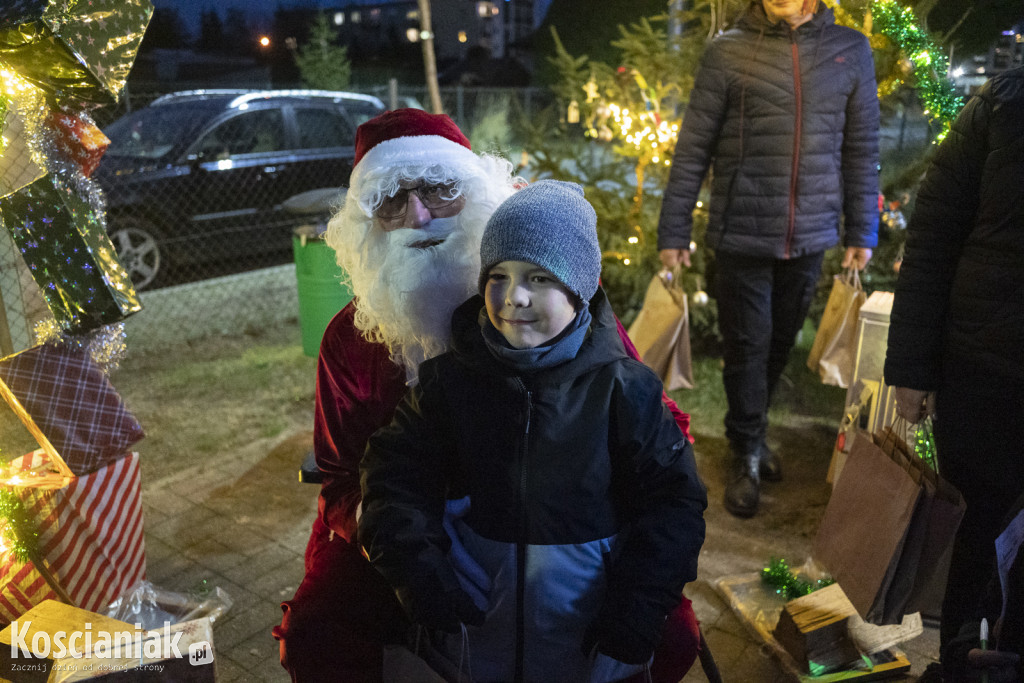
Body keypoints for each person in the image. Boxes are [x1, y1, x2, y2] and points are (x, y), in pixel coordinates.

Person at [273, 109, 702, 682]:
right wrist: (415, 546)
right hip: (396, 525)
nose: (418, 216)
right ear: (366, 224)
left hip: (563, 529)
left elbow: (657, 434)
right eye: (391, 200)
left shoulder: (559, 303)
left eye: (440, 189)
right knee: (320, 634)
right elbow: (344, 476)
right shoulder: (351, 342)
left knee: (669, 636)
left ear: (478, 195)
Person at [358, 180, 708, 682]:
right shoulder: (447, 384)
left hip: (586, 640)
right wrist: (420, 574)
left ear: (578, 287)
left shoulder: (623, 390)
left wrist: (638, 610)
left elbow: (675, 503)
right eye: (498, 274)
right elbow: (393, 478)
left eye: (539, 277)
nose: (512, 297)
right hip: (472, 640)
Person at [656, 0, 880, 517]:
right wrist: (675, 230)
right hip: (741, 232)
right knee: (749, 346)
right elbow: (693, 148)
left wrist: (861, 227)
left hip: (812, 232)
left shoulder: (851, 50)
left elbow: (862, 146)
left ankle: (753, 436)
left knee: (779, 342)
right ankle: (745, 452)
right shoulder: (727, 52)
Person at [884, 65, 1024, 682]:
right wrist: (912, 368)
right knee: (980, 532)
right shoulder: (1004, 103)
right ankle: (959, 665)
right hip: (986, 371)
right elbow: (934, 235)